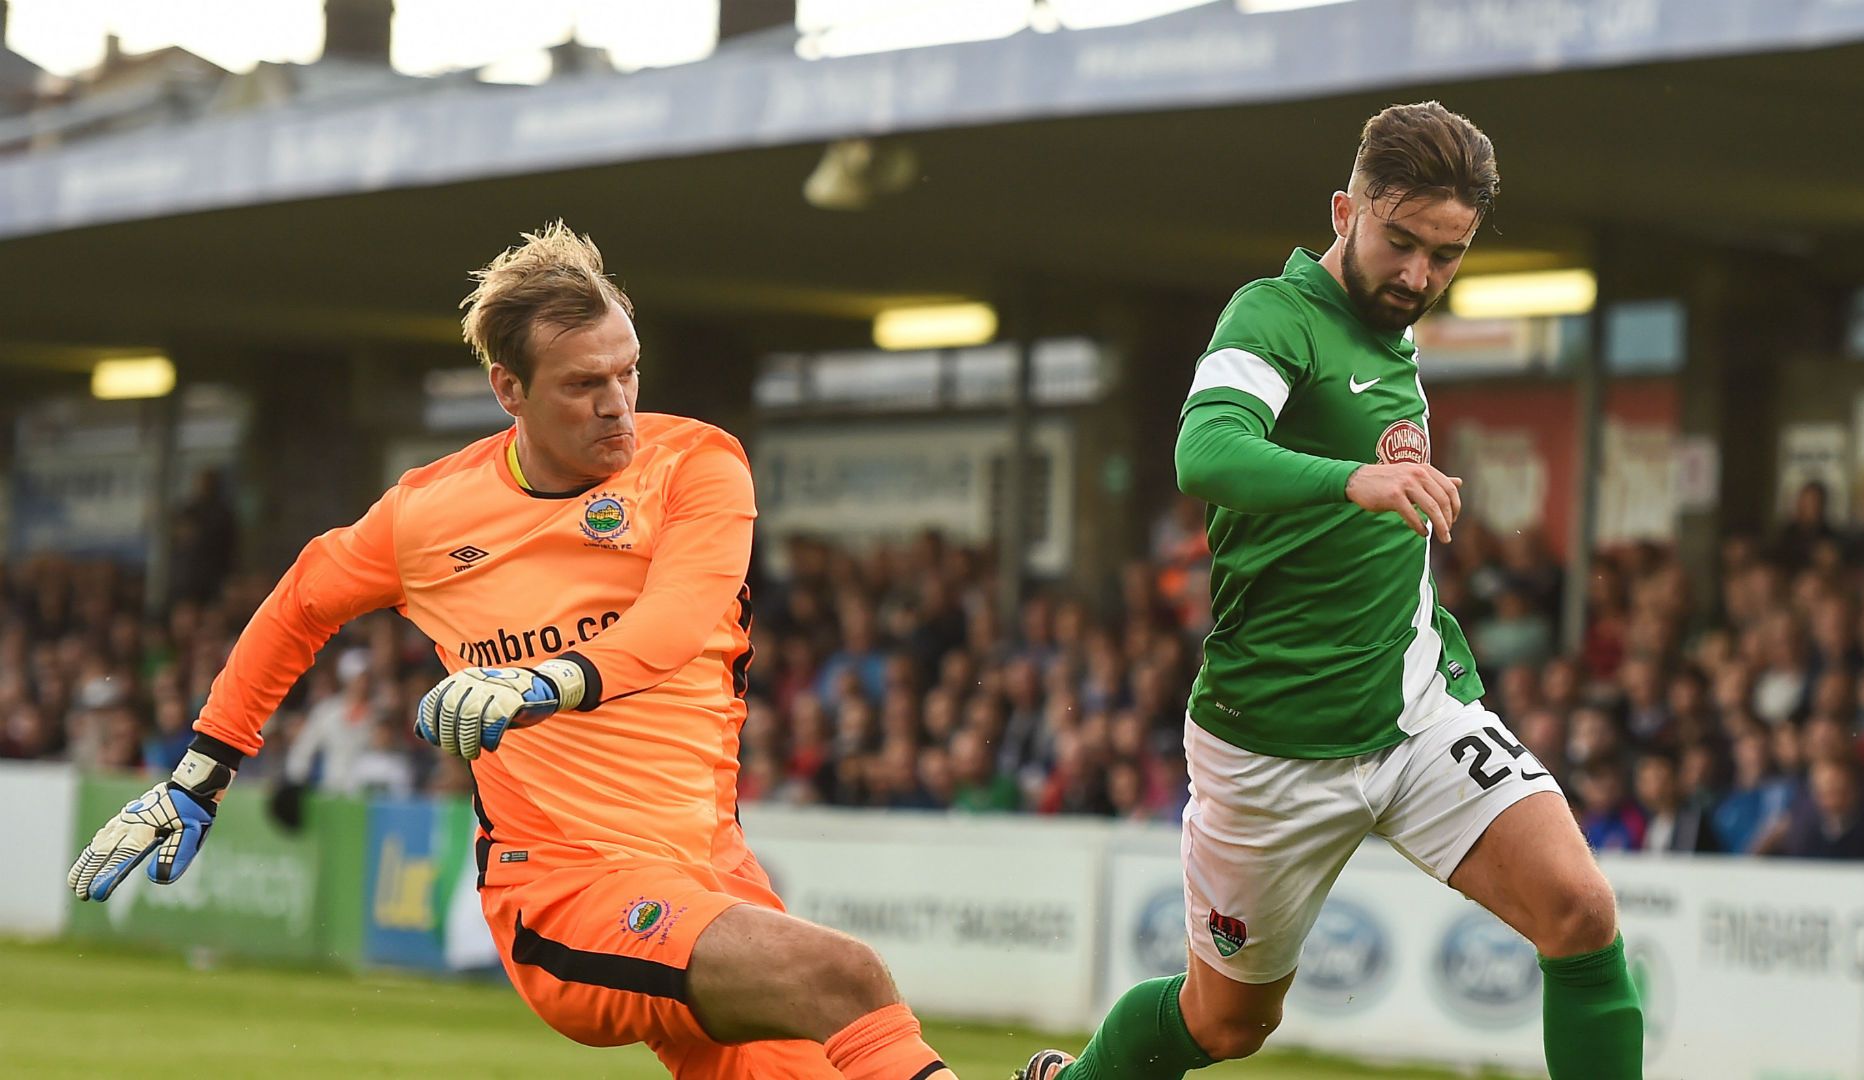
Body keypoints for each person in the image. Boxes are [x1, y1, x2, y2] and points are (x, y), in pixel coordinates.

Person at [68, 223, 955, 1080]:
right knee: (844, 978)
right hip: (565, 890)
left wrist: (544, 681)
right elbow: (301, 601)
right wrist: (203, 769)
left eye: (628, 371)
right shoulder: (428, 514)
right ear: (509, 390)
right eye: (583, 384)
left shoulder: (697, 465)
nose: (618, 404)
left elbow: (677, 620)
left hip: (710, 871)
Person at [1024, 103, 1641, 1080]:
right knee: (1224, 1025)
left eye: (1447, 255)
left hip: (1415, 714)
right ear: (1345, 208)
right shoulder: (1273, 315)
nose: (1419, 277)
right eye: (1401, 243)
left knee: (1581, 911)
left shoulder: (1395, 336)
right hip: (1268, 748)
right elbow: (1204, 449)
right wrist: (1349, 479)